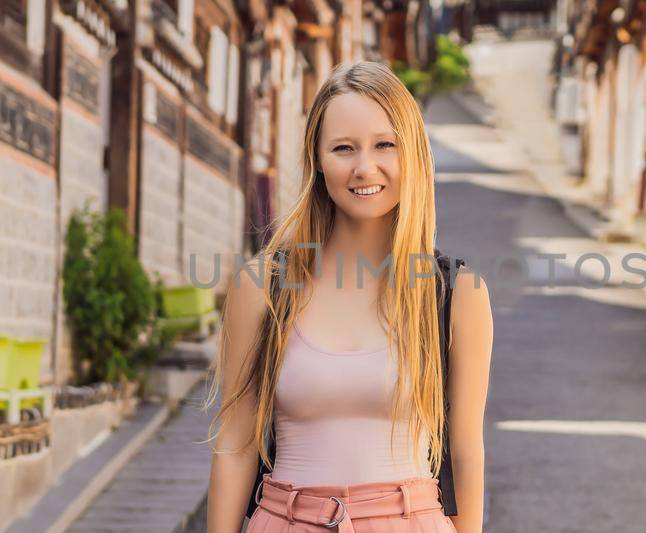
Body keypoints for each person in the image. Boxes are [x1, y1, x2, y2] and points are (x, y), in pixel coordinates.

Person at [203, 61, 494, 533]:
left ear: (413, 155)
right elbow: (234, 446)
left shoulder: (457, 294)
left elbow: (465, 451)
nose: (365, 167)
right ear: (318, 158)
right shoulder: (261, 287)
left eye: (385, 145)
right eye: (343, 148)